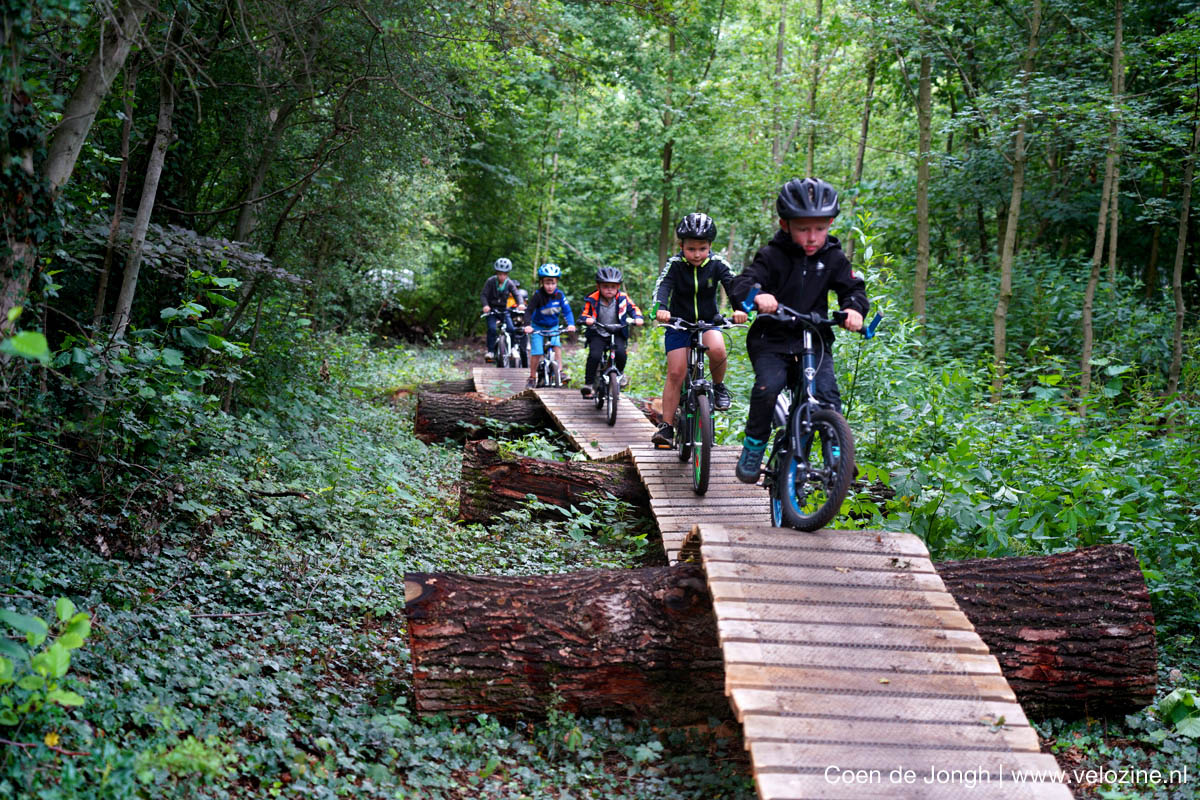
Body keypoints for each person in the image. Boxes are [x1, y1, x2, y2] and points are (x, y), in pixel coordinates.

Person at [727, 177, 869, 483]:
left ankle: (836, 453)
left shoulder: (833, 257)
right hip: (771, 339)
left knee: (826, 393)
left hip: (813, 338)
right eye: (803, 229)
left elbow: (853, 288)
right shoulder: (772, 255)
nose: (812, 237)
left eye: (820, 228)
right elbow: (743, 283)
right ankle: (754, 446)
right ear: (785, 224)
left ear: (830, 224)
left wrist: (854, 309)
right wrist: (757, 296)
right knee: (768, 388)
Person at [650, 212, 747, 448]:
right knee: (676, 372)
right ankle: (667, 426)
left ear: (710, 246)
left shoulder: (717, 264)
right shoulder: (675, 265)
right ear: (681, 246)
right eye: (691, 248)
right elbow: (662, 287)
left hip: (708, 321)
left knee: (718, 349)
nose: (696, 254)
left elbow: (734, 286)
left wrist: (740, 308)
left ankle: (719, 387)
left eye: (702, 248)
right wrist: (660, 308)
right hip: (679, 324)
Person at [579, 266, 644, 398]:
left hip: (617, 332)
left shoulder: (623, 298)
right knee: (594, 355)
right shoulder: (593, 298)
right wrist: (587, 319)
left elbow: (634, 308)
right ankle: (589, 384)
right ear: (598, 286)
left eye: (613, 286)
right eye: (605, 286)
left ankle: (619, 374)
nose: (609, 289)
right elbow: (584, 314)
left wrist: (638, 318)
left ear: (618, 287)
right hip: (598, 332)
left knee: (621, 354)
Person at [523, 263, 576, 388]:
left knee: (556, 346)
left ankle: (560, 371)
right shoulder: (538, 295)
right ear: (542, 282)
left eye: (553, 283)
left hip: (553, 326)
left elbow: (567, 311)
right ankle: (532, 377)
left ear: (557, 283)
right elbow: (529, 311)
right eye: (547, 283)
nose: (550, 286)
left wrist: (571, 324)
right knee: (537, 351)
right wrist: (527, 325)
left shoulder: (559, 295)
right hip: (537, 326)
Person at [480, 258, 520, 361]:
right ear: (496, 273)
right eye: (500, 274)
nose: (502, 277)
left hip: (503, 310)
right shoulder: (490, 281)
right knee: (492, 329)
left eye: (504, 274)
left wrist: (520, 304)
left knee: (511, 328)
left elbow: (516, 294)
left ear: (507, 274)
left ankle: (513, 348)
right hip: (492, 310)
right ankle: (491, 351)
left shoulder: (509, 283)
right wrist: (485, 305)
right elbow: (483, 295)